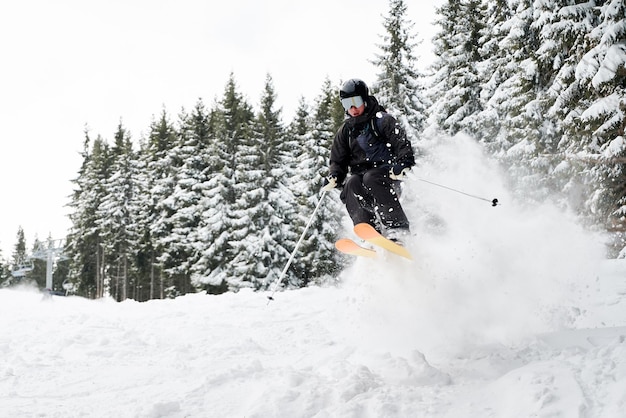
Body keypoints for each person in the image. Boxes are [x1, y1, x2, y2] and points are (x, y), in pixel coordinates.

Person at [322, 78, 415, 243]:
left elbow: (401, 143)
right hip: (363, 182)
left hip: (387, 177)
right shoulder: (346, 131)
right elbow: (338, 160)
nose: (352, 108)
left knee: (371, 177)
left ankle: (397, 228)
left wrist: (403, 163)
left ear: (364, 99)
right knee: (351, 183)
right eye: (346, 104)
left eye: (355, 102)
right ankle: (370, 232)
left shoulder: (382, 120)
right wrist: (335, 175)